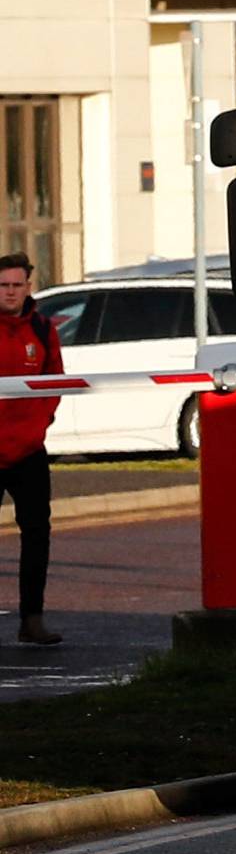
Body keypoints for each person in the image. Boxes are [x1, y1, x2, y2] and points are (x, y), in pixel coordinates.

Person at [0, 253, 63, 648]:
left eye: (16, 285)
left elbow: (56, 380)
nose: (10, 292)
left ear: (28, 287)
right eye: (3, 286)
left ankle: (32, 619)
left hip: (29, 451)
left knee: (37, 534)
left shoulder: (42, 329)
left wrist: (39, 424)